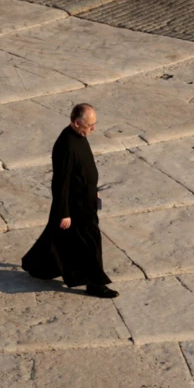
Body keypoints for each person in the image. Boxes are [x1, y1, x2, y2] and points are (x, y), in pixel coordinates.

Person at [21, 103, 119, 298]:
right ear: (77, 123)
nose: (94, 129)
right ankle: (95, 284)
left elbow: (83, 169)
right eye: (90, 125)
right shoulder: (66, 145)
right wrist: (63, 212)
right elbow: (61, 182)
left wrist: (94, 190)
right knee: (90, 242)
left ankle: (36, 266)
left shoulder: (80, 136)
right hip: (75, 206)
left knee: (57, 238)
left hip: (87, 199)